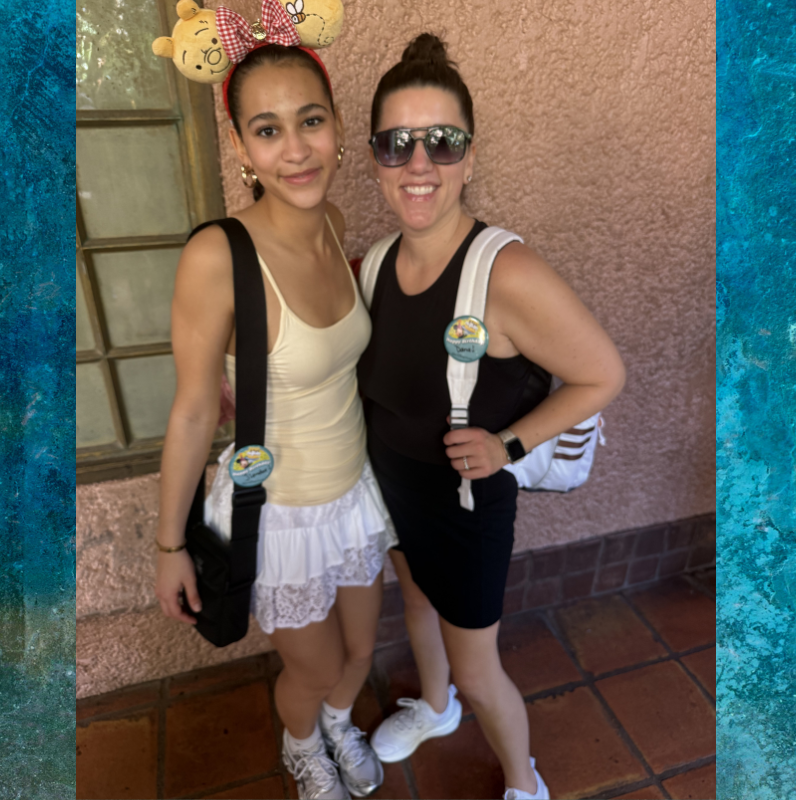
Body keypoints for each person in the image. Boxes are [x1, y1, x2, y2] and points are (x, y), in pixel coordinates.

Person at [357, 34, 626, 800]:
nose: (419, 163)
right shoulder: (376, 264)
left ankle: (522, 781)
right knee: (416, 603)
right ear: (375, 159)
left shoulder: (505, 271)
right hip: (396, 489)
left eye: (442, 142)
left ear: (470, 157)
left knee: (479, 669)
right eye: (396, 143)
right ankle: (434, 706)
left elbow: (603, 373)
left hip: (467, 508)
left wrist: (508, 444)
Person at [154, 42, 395, 800]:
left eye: (311, 121)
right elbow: (194, 408)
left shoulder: (334, 221)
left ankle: (337, 723)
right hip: (280, 514)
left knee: (360, 652)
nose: (296, 150)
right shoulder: (217, 256)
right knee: (314, 668)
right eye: (268, 129)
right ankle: (303, 745)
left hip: (352, 494)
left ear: (337, 126)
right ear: (239, 145)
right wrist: (169, 545)